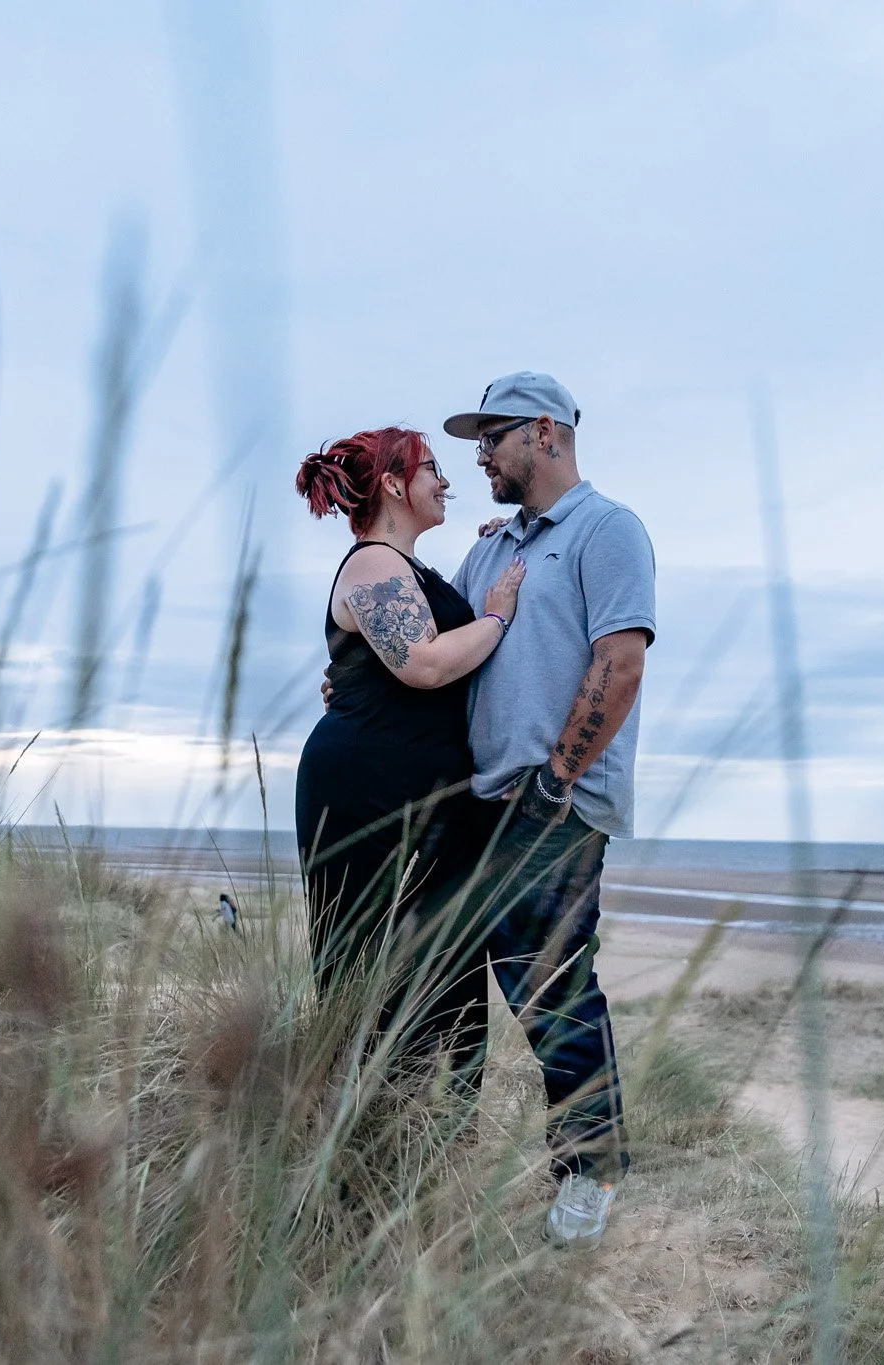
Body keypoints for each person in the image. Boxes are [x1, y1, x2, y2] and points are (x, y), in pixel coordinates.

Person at [442, 372, 655, 1250]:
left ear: (545, 433)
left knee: (554, 992)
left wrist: (555, 778)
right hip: (476, 802)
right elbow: (445, 644)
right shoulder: (490, 550)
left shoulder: (608, 530)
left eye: (492, 436)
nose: (480, 454)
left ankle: (590, 1171)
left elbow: (622, 660)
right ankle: (437, 1151)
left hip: (553, 806)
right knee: (459, 988)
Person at [291, 426, 525, 1080]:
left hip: (420, 796)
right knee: (379, 975)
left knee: (446, 979)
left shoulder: (410, 570)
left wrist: (491, 552)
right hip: (368, 793)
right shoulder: (371, 561)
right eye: (432, 469)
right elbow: (422, 663)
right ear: (394, 484)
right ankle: (368, 1153)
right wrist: (497, 616)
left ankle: (432, 1157)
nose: (446, 481)